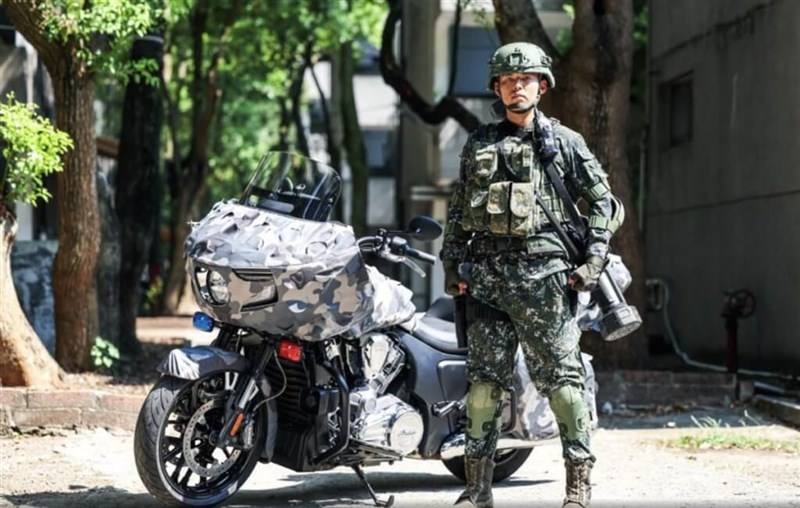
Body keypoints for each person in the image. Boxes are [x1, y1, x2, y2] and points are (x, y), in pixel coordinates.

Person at [440, 42, 625, 508]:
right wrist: (451, 265)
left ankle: (578, 487)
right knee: (483, 388)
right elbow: (459, 211)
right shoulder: (479, 142)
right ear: (497, 88)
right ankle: (477, 488)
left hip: (546, 280)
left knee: (564, 385)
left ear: (542, 86)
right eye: (507, 80)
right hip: (487, 282)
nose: (516, 86)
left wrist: (592, 265)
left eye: (525, 80)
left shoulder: (565, 143)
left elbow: (604, 204)